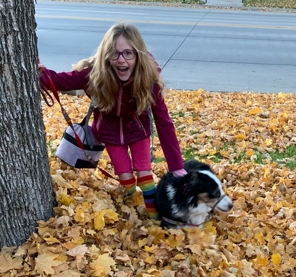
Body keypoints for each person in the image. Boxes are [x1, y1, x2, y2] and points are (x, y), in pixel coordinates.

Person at [39, 23, 186, 220]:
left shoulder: (148, 80)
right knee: (125, 177)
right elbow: (61, 81)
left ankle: (154, 217)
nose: (121, 60)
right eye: (115, 54)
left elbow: (164, 122)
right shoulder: (95, 74)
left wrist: (176, 166)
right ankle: (131, 209)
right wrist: (41, 73)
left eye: (128, 54)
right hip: (109, 134)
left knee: (144, 174)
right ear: (106, 55)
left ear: (138, 55)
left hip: (138, 131)